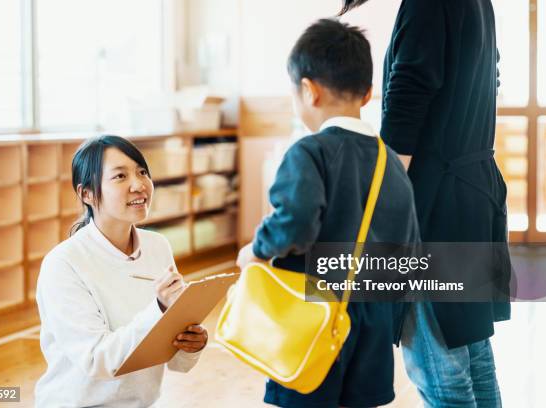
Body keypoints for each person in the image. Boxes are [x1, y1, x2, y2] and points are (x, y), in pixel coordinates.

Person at [236, 19, 420, 408]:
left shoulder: (310, 152)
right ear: (368, 94)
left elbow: (295, 224)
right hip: (373, 319)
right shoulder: (391, 163)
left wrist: (256, 249)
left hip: (313, 314)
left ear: (309, 91)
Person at [340, 0, 511, 406]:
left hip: (433, 207)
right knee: (472, 353)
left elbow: (406, 111)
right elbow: (489, 78)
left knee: (440, 371)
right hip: (473, 195)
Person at [34, 135, 207, 407]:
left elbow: (175, 361)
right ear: (86, 194)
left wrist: (191, 344)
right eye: (120, 176)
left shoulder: (157, 246)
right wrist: (160, 308)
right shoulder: (63, 264)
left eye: (142, 172)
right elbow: (96, 359)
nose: (139, 185)